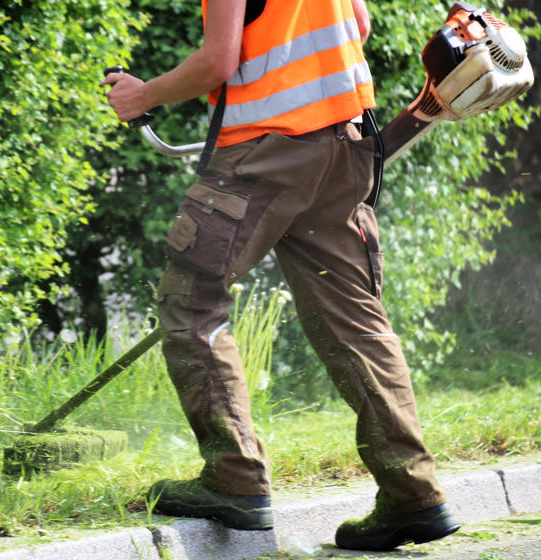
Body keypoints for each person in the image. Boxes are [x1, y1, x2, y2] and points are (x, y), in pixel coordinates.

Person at [102, 0, 460, 551]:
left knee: (191, 303)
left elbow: (218, 63)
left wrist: (142, 94)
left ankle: (235, 479)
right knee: (354, 323)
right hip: (346, 147)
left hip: (264, 157)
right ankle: (413, 494)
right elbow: (357, 25)